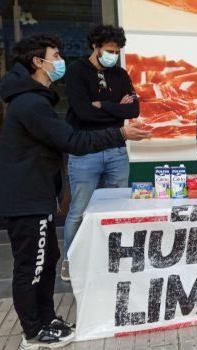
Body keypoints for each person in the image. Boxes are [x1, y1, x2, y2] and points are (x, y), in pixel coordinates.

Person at [0, 34, 149, 349]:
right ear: (38, 62)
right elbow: (74, 140)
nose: (59, 60)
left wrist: (107, 113)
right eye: (55, 55)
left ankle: (47, 318)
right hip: (26, 198)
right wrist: (120, 131)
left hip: (37, 196)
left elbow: (126, 107)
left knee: (47, 257)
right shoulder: (30, 104)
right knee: (32, 265)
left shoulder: (34, 100)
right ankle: (33, 333)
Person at [62, 25, 139, 281]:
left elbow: (134, 110)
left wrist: (103, 105)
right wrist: (117, 107)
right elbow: (83, 112)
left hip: (116, 150)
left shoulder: (120, 74)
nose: (113, 55)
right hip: (84, 152)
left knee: (117, 208)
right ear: (95, 47)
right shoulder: (76, 72)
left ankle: (112, 260)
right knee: (79, 210)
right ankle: (70, 261)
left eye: (116, 51)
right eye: (108, 51)